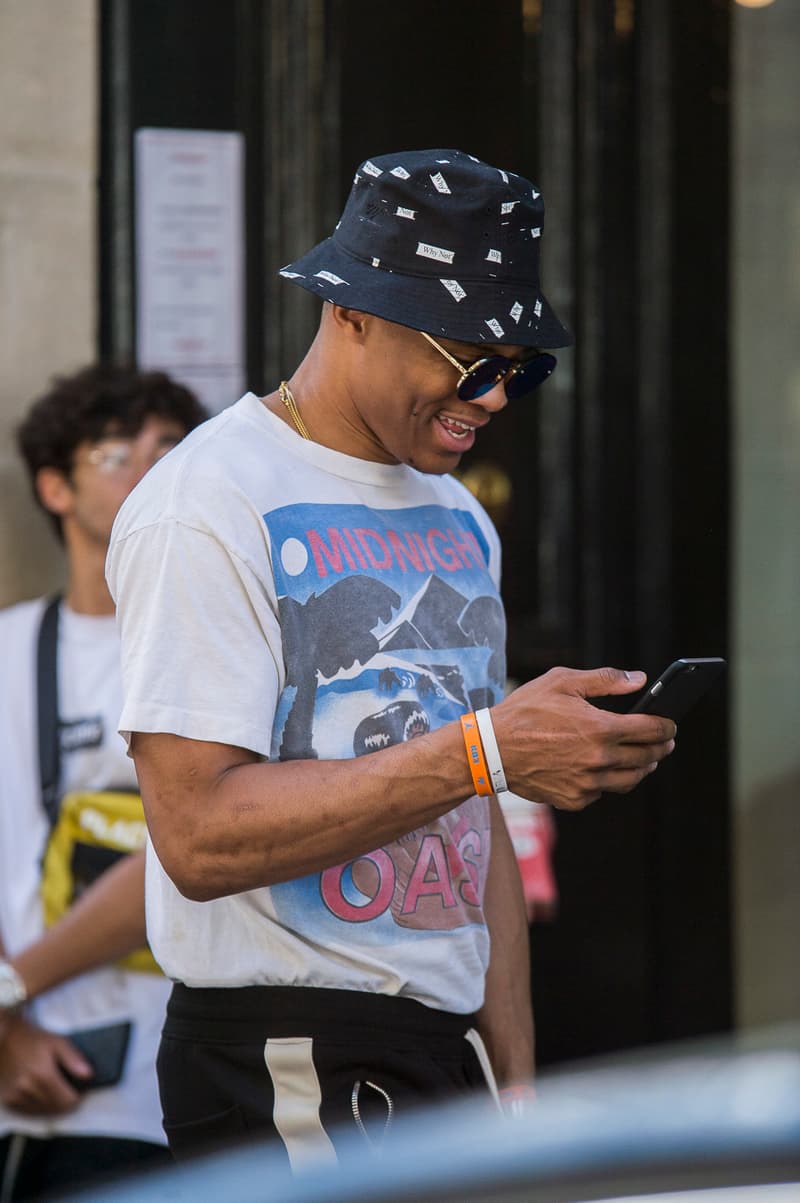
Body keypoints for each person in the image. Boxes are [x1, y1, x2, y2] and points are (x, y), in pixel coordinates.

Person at [107, 149, 676, 1168]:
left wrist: (511, 1080)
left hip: (439, 1051)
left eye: (518, 369)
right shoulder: (208, 503)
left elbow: (475, 821)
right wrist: (479, 750)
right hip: (283, 1046)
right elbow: (195, 839)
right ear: (350, 314)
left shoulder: (458, 515)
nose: (495, 397)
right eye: (469, 361)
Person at [0, 364, 207, 1200]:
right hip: (40, 1091)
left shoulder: (218, 652)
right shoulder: (9, 650)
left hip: (184, 1088)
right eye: (124, 452)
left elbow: (187, 852)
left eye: (175, 450)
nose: (156, 470)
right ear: (54, 486)